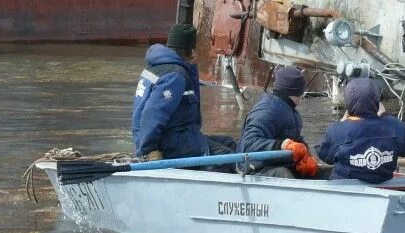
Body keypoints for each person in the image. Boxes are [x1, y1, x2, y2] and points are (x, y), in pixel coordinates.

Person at [130, 23, 236, 160]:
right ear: (188, 50)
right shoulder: (175, 76)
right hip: (172, 142)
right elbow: (152, 113)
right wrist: (149, 150)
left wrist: (191, 67)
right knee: (227, 157)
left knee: (230, 143)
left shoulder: (158, 66)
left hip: (180, 136)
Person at [316, 78, 405, 183]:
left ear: (348, 102)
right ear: (377, 100)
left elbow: (323, 154)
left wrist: (342, 121)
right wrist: (385, 117)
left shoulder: (337, 130)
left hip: (345, 191)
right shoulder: (396, 126)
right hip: (383, 187)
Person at [237, 65, 318, 178]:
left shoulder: (290, 110)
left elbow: (295, 139)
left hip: (278, 162)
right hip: (254, 168)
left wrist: (307, 156)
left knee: (317, 172)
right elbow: (249, 145)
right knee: (283, 174)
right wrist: (281, 145)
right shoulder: (266, 111)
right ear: (298, 93)